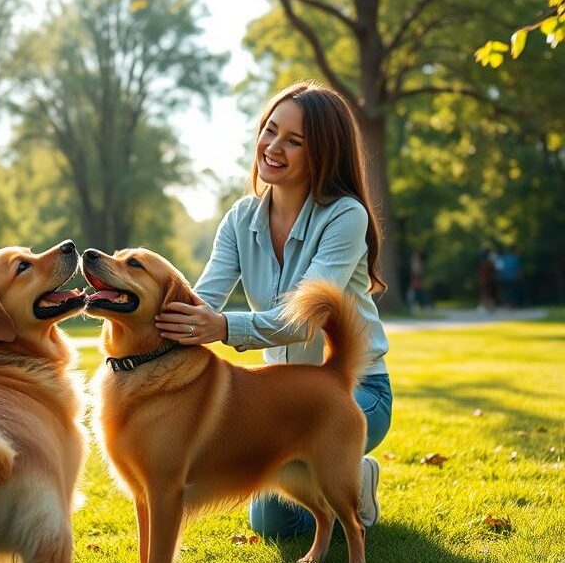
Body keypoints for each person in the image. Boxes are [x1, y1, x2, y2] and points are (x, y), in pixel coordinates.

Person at [154, 81, 393, 537]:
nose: (273, 147)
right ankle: (341, 477)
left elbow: (300, 321)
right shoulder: (241, 218)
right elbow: (203, 299)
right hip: (279, 399)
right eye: (269, 130)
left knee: (302, 486)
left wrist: (223, 328)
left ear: (322, 153)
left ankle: (347, 477)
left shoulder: (345, 216)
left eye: (294, 141)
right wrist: (146, 310)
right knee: (272, 523)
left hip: (354, 391)